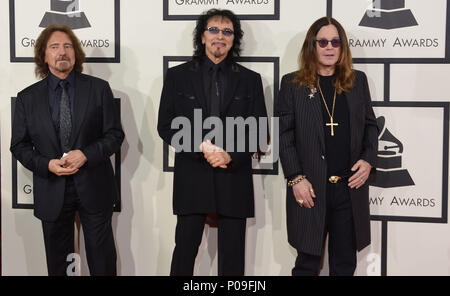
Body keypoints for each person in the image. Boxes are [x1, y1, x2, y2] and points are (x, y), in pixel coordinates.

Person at [157, 9, 267, 276]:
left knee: (233, 263)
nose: (220, 36)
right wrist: (201, 146)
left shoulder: (250, 80)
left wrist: (231, 155)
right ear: (202, 37)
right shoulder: (177, 76)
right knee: (184, 255)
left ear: (234, 39)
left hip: (234, 177)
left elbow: (259, 130)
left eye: (227, 31)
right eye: (214, 30)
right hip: (192, 177)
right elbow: (166, 125)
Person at [10, 25, 124, 276]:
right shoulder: (27, 98)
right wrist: (46, 164)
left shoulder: (98, 89)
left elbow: (115, 135)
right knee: (58, 264)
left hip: (94, 184)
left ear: (76, 53)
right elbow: (18, 145)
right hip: (51, 187)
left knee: (102, 261)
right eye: (54, 47)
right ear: (43, 55)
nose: (62, 52)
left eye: (67, 46)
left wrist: (86, 154)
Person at [276, 17, 378, 276]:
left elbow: (370, 126)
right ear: (312, 45)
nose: (329, 47)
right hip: (310, 189)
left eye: (335, 41)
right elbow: (283, 136)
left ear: (342, 47)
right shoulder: (292, 84)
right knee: (307, 265)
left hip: (348, 190)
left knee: (345, 265)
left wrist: (367, 160)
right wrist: (295, 178)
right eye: (323, 41)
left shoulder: (357, 82)